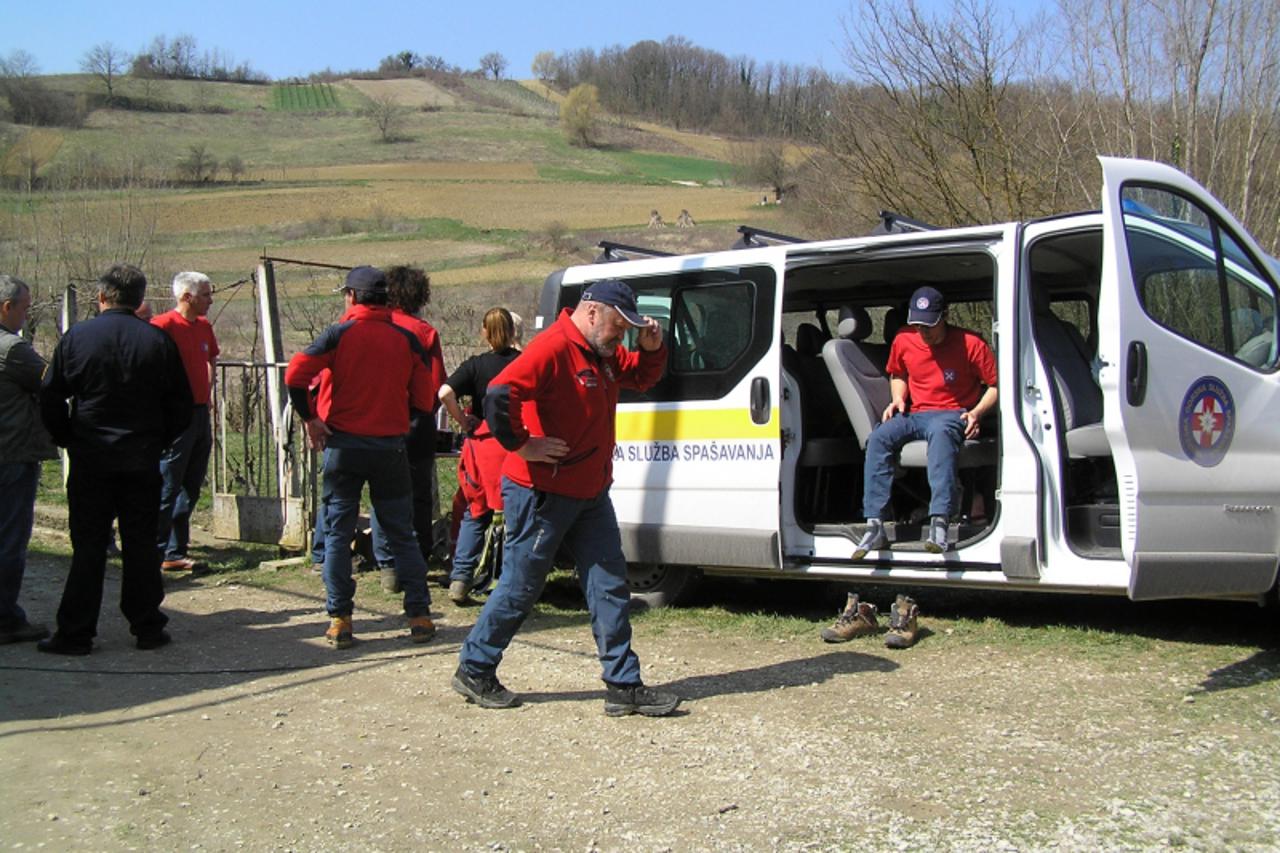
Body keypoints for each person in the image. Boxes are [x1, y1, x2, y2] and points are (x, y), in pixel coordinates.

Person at [452, 279, 681, 717]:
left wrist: (652, 349)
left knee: (610, 584)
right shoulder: (553, 347)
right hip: (543, 492)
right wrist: (521, 445)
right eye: (619, 326)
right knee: (521, 586)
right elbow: (500, 393)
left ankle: (623, 684)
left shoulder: (602, 352)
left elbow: (643, 377)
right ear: (593, 313)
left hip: (590, 491)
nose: (621, 336)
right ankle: (475, 667)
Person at [37, 264, 193, 655]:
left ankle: (75, 632)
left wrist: (66, 437)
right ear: (140, 300)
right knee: (141, 543)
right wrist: (158, 440)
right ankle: (147, 626)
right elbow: (181, 405)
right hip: (141, 458)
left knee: (88, 545)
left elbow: (51, 395)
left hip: (91, 455)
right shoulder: (157, 342)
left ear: (102, 297)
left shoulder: (78, 338)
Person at [832, 286, 997, 649]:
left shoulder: (972, 344)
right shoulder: (905, 339)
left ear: (945, 317)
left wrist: (976, 413)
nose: (925, 332)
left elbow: (994, 386)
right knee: (878, 439)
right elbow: (897, 373)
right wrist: (897, 401)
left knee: (941, 438)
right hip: (914, 413)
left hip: (951, 413)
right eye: (919, 326)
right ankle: (874, 523)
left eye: (931, 326)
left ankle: (939, 522)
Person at [284, 266, 439, 649]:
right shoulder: (407, 339)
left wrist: (311, 419)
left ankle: (341, 621)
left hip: (343, 447)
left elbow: (295, 376)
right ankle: (419, 616)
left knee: (338, 534)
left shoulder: (338, 334)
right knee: (402, 533)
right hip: (389, 448)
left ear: (352, 297)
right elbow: (424, 399)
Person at [367, 265, 447, 593]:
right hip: (416, 422)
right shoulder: (424, 332)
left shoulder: (370, 327)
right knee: (417, 492)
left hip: (375, 419)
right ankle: (418, 556)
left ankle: (387, 565)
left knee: (382, 492)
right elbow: (436, 383)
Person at [438, 307, 520, 604]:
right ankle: (510, 583)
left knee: (476, 511)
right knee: (515, 516)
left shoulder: (475, 365)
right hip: (514, 445)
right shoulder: (523, 363)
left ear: (484, 332)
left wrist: (463, 420)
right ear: (513, 331)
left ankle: (461, 578)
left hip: (482, 447)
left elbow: (444, 393)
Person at [0, 275, 57, 644]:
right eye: (24, 307)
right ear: (7, 307)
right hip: (11, 453)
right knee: (10, 538)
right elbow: (51, 380)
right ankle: (6, 618)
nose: (26, 314)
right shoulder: (12, 349)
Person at [152, 271, 219, 573]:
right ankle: (152, 551)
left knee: (191, 483)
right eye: (205, 294)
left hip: (200, 411)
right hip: (175, 415)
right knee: (168, 482)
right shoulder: (162, 327)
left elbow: (211, 359)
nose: (210, 300)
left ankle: (174, 550)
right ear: (186, 297)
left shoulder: (204, 326)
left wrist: (208, 388)